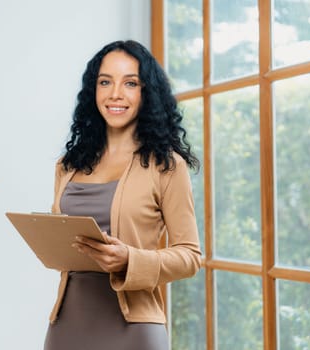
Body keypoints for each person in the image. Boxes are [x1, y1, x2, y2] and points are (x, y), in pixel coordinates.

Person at [43, 40, 202, 350]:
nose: (115, 93)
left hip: (134, 331)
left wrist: (130, 259)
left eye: (130, 83)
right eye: (105, 82)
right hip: (67, 325)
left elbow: (189, 256)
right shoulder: (68, 165)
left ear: (147, 93)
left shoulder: (166, 165)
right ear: (94, 90)